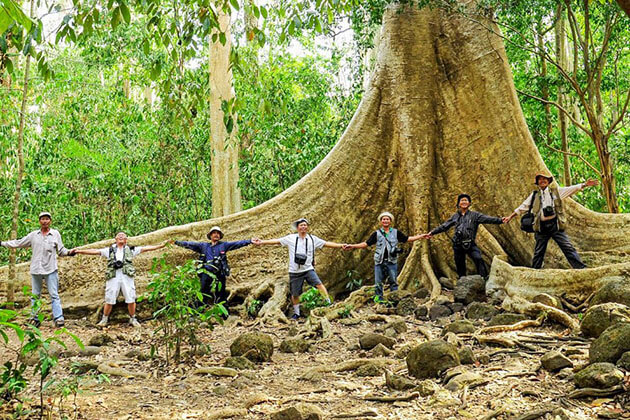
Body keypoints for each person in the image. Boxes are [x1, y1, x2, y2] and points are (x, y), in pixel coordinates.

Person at [253, 218, 344, 320]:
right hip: (294, 271)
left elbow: (326, 243)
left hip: (308, 269)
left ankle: (328, 304)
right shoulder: (291, 238)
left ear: (307, 227)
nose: (303, 227)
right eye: (301, 225)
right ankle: (297, 313)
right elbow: (277, 241)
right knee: (295, 294)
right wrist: (262, 242)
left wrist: (341, 246)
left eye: (305, 225)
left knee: (319, 284)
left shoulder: (313, 239)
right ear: (297, 228)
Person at [72, 232, 170, 327]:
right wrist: (79, 251)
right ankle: (104, 319)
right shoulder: (109, 250)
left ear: (126, 240)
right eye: (119, 235)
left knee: (131, 297)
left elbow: (145, 249)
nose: (121, 236)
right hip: (113, 276)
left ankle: (133, 318)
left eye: (123, 236)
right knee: (109, 298)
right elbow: (95, 252)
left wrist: (161, 246)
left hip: (126, 276)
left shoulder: (131, 249)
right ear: (115, 239)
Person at [503, 173, 598, 269]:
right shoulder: (535, 195)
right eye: (540, 179)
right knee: (539, 251)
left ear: (548, 181)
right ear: (537, 182)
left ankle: (581, 268)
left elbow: (571, 189)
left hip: (555, 225)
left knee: (567, 247)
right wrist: (510, 217)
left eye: (545, 179)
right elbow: (523, 207)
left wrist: (585, 184)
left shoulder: (556, 192)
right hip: (541, 226)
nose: (542, 181)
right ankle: (535, 271)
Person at [0, 212, 72, 327]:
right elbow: (19, 243)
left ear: (50, 221)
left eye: (47, 219)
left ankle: (58, 318)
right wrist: (3, 243)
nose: (45, 221)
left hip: (50, 269)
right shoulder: (33, 235)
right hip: (36, 269)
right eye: (42, 219)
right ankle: (34, 318)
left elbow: (61, 250)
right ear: (39, 221)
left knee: (54, 294)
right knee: (35, 295)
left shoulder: (55, 234)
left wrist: (69, 252)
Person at [343, 212, 423, 302]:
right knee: (378, 282)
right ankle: (379, 301)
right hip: (379, 261)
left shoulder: (396, 232)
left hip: (391, 261)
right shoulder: (376, 234)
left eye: (387, 219)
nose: (385, 221)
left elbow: (407, 239)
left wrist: (420, 236)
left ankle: (394, 300)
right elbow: (366, 244)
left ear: (390, 221)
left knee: (393, 281)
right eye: (384, 219)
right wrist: (353, 246)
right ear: (381, 221)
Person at [420, 194, 504, 278]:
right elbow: (444, 226)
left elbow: (488, 219)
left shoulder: (475, 215)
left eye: (466, 200)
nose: (464, 202)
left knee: (478, 258)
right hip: (458, 244)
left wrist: (501, 220)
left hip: (470, 243)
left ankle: (483, 278)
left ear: (469, 203)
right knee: (460, 264)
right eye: (462, 200)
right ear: (459, 203)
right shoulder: (455, 216)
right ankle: (462, 282)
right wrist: (432, 232)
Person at [174, 226, 254, 311]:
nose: (216, 235)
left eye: (218, 233)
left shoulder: (224, 245)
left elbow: (237, 244)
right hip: (206, 273)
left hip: (220, 273)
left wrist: (250, 241)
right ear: (210, 235)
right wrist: (176, 242)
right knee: (203, 292)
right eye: (214, 233)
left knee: (221, 293)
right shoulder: (204, 246)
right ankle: (199, 312)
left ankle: (224, 314)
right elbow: (189, 244)